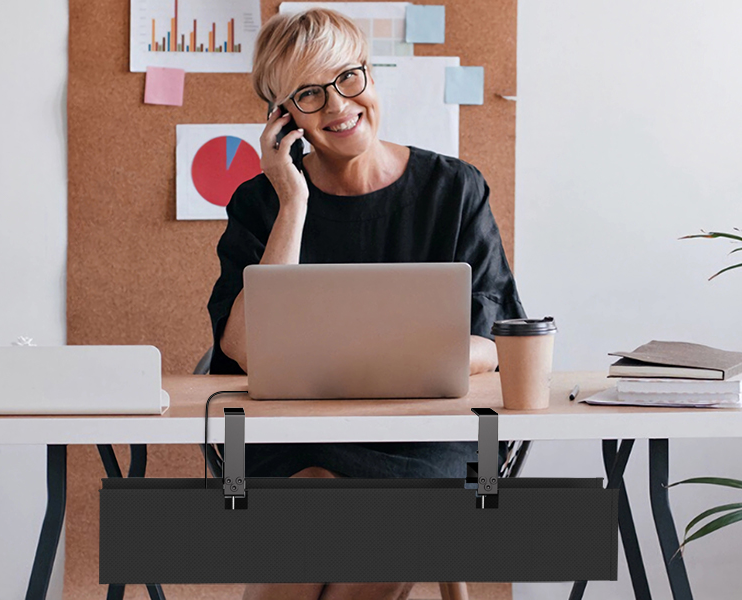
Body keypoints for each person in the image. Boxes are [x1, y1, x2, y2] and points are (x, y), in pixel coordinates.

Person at [205, 8, 524, 600]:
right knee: (313, 499)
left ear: (371, 75)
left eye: (348, 78)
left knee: (386, 515)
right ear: (283, 118)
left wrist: (386, 359)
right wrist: (292, 201)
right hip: (291, 434)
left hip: (420, 432)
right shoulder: (260, 201)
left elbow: (495, 342)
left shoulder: (454, 190)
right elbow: (246, 348)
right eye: (309, 94)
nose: (336, 106)